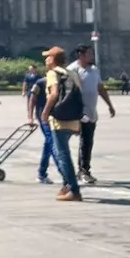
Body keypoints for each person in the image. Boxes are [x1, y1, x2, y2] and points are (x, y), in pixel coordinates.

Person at [68, 44, 116, 186]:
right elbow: (69, 92)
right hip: (78, 112)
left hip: (91, 112)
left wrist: (109, 105)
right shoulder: (73, 70)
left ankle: (82, 170)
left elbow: (100, 88)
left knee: (87, 141)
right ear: (80, 55)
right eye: (89, 54)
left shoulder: (94, 70)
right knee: (83, 141)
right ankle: (82, 171)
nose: (92, 56)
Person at [41, 45, 83, 201]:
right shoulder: (72, 73)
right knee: (62, 153)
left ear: (52, 59)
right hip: (73, 119)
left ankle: (74, 190)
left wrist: (45, 113)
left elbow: (54, 94)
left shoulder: (53, 74)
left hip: (59, 120)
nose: (45, 59)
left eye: (47, 57)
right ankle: (66, 185)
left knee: (62, 155)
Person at [26, 69, 57, 184]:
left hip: (54, 116)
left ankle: (42, 172)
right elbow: (32, 100)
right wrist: (30, 117)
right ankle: (64, 173)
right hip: (42, 116)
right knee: (52, 142)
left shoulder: (57, 83)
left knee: (49, 143)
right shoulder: (40, 83)